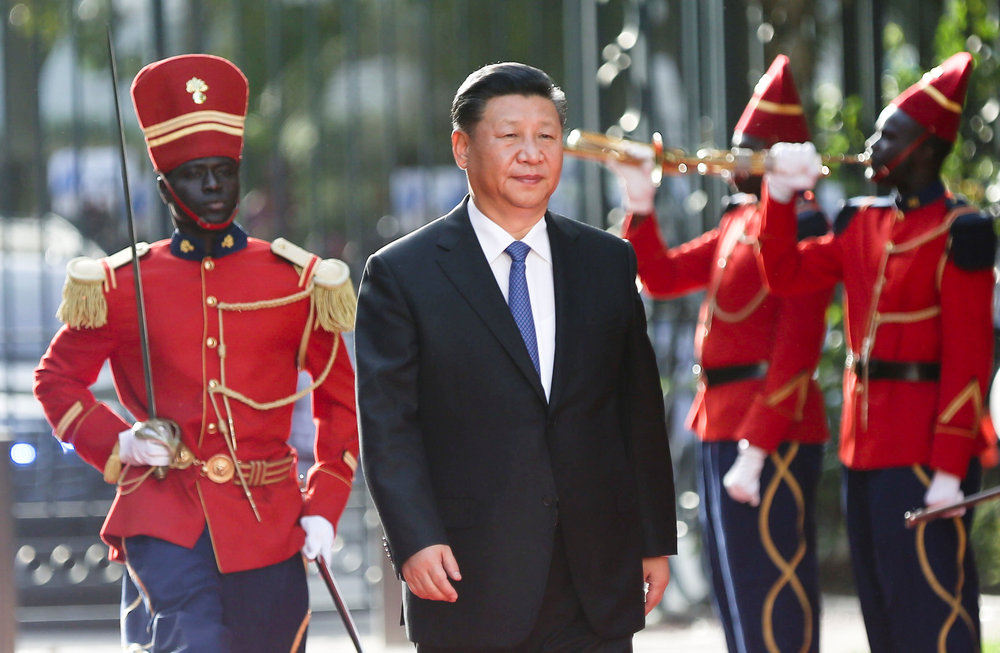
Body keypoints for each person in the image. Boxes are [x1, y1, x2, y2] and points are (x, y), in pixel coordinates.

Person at [33, 54, 359, 652]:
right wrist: (120, 443)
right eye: (191, 174)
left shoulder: (296, 280)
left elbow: (340, 400)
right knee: (194, 639)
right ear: (163, 187)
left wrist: (325, 502)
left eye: (223, 171)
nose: (212, 187)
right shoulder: (119, 284)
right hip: (164, 510)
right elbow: (57, 379)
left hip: (269, 517)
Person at [355, 62, 677, 652]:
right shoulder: (403, 274)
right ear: (462, 147)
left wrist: (655, 537)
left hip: (595, 577)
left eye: (546, 136)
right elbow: (387, 425)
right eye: (509, 136)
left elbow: (637, 412)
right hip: (467, 576)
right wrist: (413, 538)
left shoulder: (607, 263)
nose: (531, 153)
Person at [759, 51, 995, 652]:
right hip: (863, 449)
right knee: (882, 614)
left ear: (924, 145)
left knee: (932, 610)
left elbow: (970, 358)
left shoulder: (958, 231)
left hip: (923, 452)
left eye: (889, 134)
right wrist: (781, 196)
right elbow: (784, 275)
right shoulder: (861, 224)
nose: (873, 143)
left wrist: (948, 467)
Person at [609, 54, 831, 653]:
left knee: (774, 590)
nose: (734, 159)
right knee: (736, 594)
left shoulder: (802, 226)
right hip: (722, 421)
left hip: (769, 429)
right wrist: (641, 202)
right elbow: (658, 276)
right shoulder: (741, 221)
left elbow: (797, 347)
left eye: (749, 147)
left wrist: (758, 446)